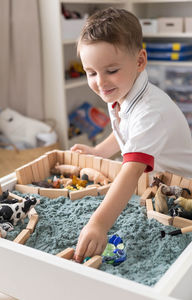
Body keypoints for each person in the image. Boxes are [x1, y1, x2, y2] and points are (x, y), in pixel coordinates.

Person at [71, 7, 192, 262]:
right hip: (154, 183)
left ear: (139, 61)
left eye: (111, 70)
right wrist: (98, 152)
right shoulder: (120, 90)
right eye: (91, 73)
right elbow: (125, 133)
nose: (101, 83)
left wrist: (99, 225)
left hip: (182, 193)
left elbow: (132, 170)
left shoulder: (150, 111)